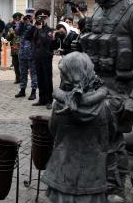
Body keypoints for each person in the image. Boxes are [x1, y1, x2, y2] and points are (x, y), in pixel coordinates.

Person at [76, 0, 133, 202]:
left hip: (123, 92)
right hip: (97, 88)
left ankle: (113, 189)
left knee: (110, 140)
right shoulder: (101, 10)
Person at [42, 52, 115, 203]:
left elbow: (53, 131)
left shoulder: (59, 106)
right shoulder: (105, 106)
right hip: (93, 177)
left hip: (62, 176)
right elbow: (111, 135)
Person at [29, 9, 56, 109]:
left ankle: (49, 100)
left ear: (47, 18)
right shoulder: (35, 28)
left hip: (46, 57)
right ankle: (42, 99)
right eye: (40, 17)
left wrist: (40, 29)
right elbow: (27, 36)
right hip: (37, 57)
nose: (42, 19)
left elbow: (46, 41)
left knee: (47, 79)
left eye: (44, 17)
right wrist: (33, 26)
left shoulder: (50, 30)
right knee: (40, 79)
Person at [15, 14, 37, 100]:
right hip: (22, 53)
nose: (27, 19)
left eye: (29, 17)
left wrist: (29, 23)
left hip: (31, 53)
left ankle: (33, 91)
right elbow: (17, 32)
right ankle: (22, 90)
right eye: (26, 17)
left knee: (33, 73)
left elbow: (34, 33)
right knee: (22, 72)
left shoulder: (34, 26)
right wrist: (21, 23)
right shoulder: (20, 25)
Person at [6, 13, 22, 84]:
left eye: (19, 20)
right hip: (14, 50)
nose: (17, 21)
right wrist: (11, 34)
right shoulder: (11, 29)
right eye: (16, 20)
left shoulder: (24, 28)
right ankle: (17, 78)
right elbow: (8, 39)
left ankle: (22, 78)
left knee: (22, 64)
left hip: (23, 50)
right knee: (16, 65)